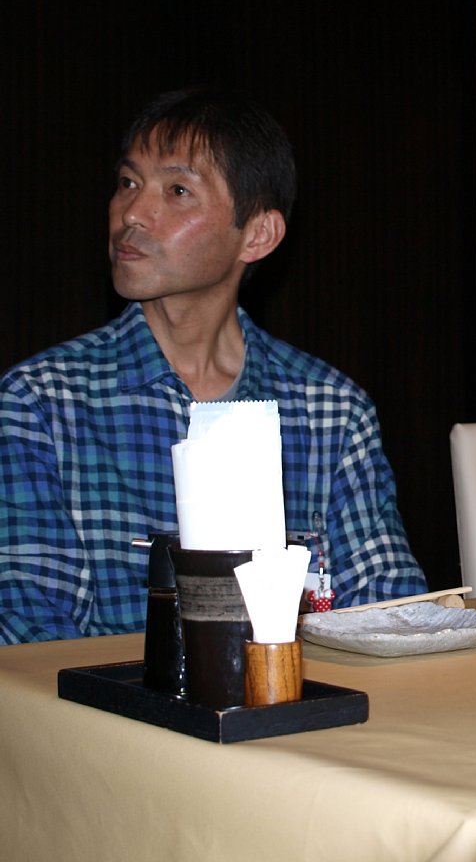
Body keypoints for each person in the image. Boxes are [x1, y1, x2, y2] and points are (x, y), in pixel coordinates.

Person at [0, 87, 426, 644]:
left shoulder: (330, 410)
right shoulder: (43, 402)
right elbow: (28, 624)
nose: (132, 213)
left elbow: (389, 611)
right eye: (128, 182)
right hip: (111, 699)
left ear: (258, 234)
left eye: (177, 191)